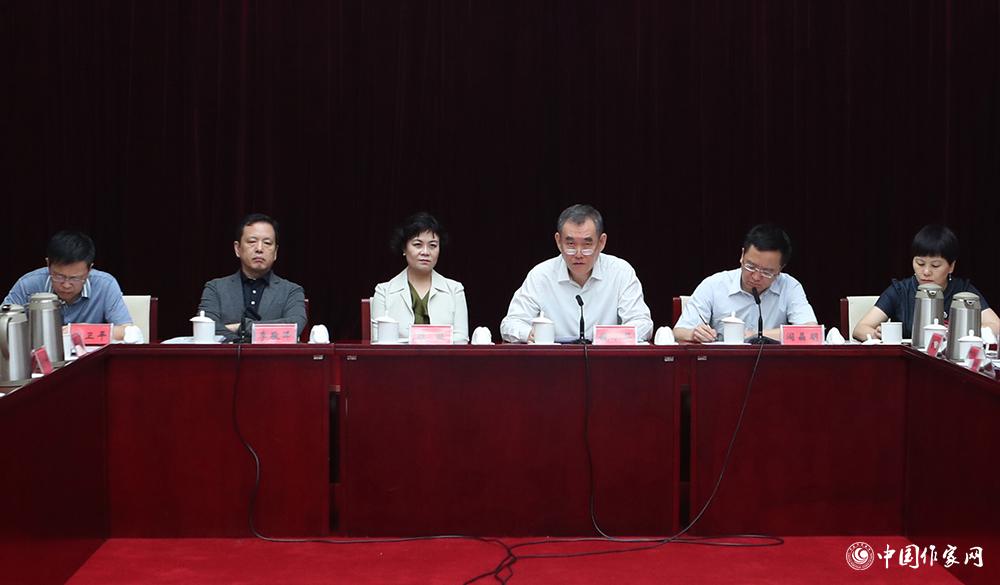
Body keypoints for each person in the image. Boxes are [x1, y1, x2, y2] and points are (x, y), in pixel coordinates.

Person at [500, 204, 653, 343]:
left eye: (587, 245)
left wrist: (608, 337)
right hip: (554, 362)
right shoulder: (541, 275)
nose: (578, 254)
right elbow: (511, 323)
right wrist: (532, 334)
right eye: (571, 245)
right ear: (558, 242)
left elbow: (643, 323)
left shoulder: (621, 272)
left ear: (601, 242)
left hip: (607, 361)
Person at [853, 224, 999, 341]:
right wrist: (876, 335)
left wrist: (961, 332)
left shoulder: (963, 291)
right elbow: (860, 328)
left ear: (951, 266)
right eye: (920, 263)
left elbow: (996, 326)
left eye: (935, 265)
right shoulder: (900, 290)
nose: (926, 271)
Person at [674, 224, 817, 343]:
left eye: (767, 272)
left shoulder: (790, 287)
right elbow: (679, 331)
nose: (756, 277)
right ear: (742, 256)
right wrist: (694, 334)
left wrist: (756, 335)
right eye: (750, 266)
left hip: (773, 365)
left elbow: (811, 332)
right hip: (721, 364)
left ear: (780, 269)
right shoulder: (714, 285)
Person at [4, 230, 133, 340]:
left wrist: (79, 331)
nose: (66, 285)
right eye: (59, 276)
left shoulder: (105, 285)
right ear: (48, 265)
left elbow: (129, 332)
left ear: (89, 270)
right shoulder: (28, 285)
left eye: (75, 278)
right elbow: (3, 325)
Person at [198, 213, 307, 341]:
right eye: (252, 241)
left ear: (275, 252)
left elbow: (294, 326)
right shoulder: (215, 288)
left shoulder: (291, 291)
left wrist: (242, 327)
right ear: (237, 249)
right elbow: (205, 328)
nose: (259, 249)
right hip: (228, 354)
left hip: (273, 355)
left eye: (267, 243)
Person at [372, 212, 468, 344]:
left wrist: (411, 341)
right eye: (417, 244)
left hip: (444, 358)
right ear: (404, 248)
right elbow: (378, 342)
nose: (425, 252)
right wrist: (430, 340)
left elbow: (461, 339)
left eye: (432, 245)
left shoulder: (455, 290)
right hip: (398, 358)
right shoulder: (383, 291)